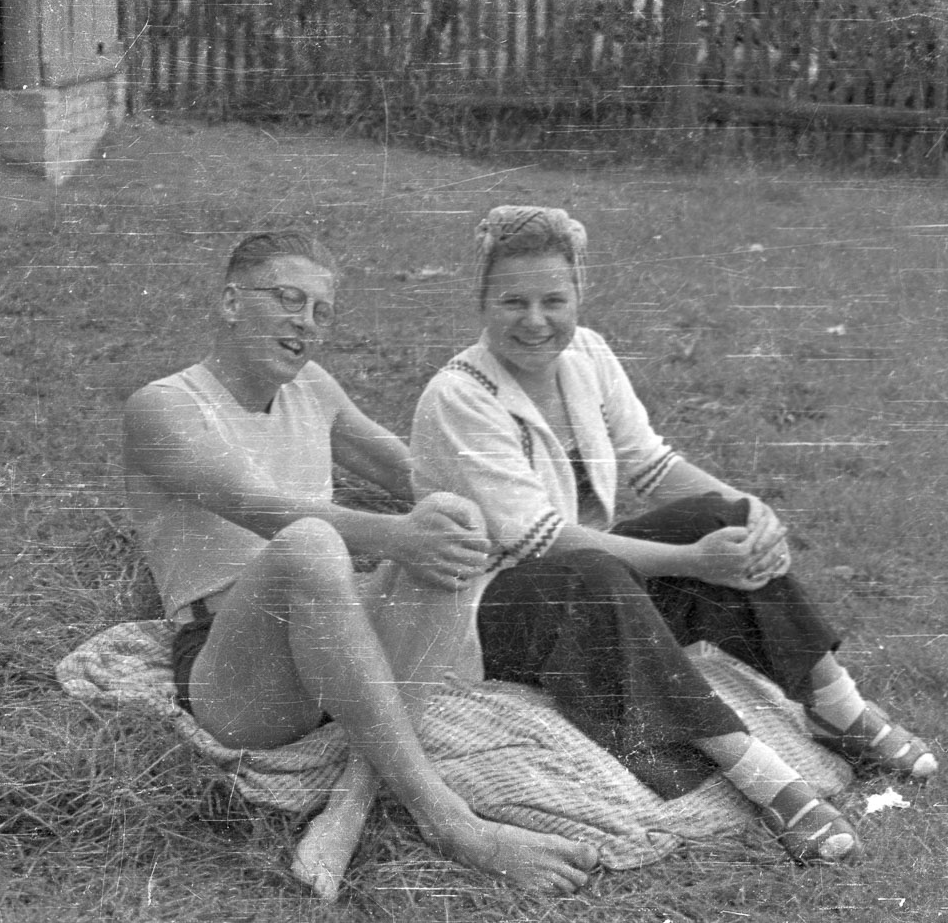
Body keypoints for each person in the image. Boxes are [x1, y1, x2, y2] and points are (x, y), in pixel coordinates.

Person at [410, 205, 940, 866]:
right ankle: (765, 778)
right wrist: (692, 561)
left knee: (718, 518)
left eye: (554, 300)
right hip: (486, 615)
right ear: (482, 301)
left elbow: (652, 466)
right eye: (513, 301)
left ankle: (838, 708)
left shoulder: (588, 355)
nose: (536, 321)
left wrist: (747, 508)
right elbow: (539, 541)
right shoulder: (459, 396)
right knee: (601, 570)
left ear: (579, 294)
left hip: (589, 592)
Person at [122, 229, 598, 894]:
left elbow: (417, 472)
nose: (306, 324)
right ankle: (450, 820)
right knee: (313, 543)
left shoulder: (312, 388)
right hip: (238, 671)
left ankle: (349, 804)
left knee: (452, 516)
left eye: (321, 311)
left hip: (334, 634)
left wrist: (502, 509)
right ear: (231, 302)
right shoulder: (162, 406)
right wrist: (397, 536)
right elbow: (260, 507)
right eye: (288, 299)